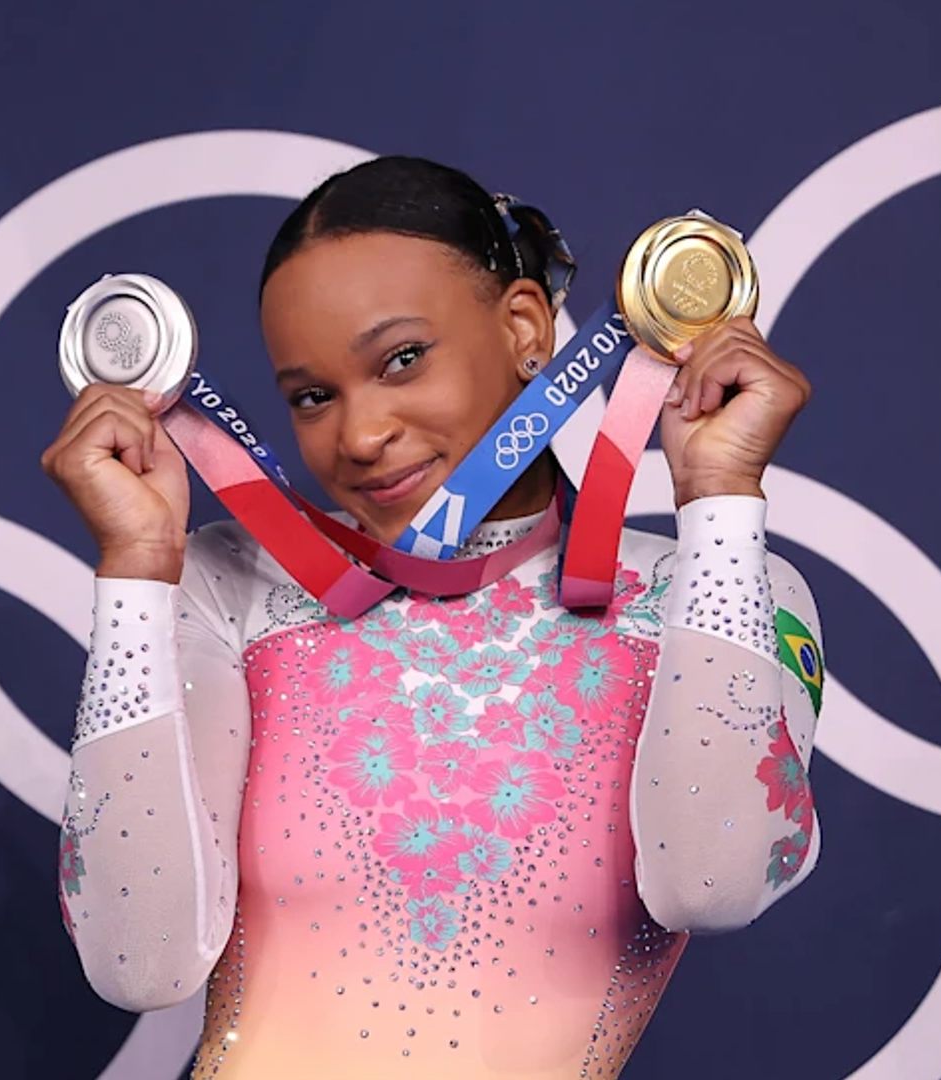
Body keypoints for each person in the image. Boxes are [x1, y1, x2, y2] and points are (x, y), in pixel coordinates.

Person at [41, 156, 824, 1079]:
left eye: (402, 360)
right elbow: (138, 961)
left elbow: (716, 881)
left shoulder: (713, 594)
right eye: (312, 396)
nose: (361, 434)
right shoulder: (228, 585)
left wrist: (721, 501)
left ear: (528, 329)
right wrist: (137, 572)